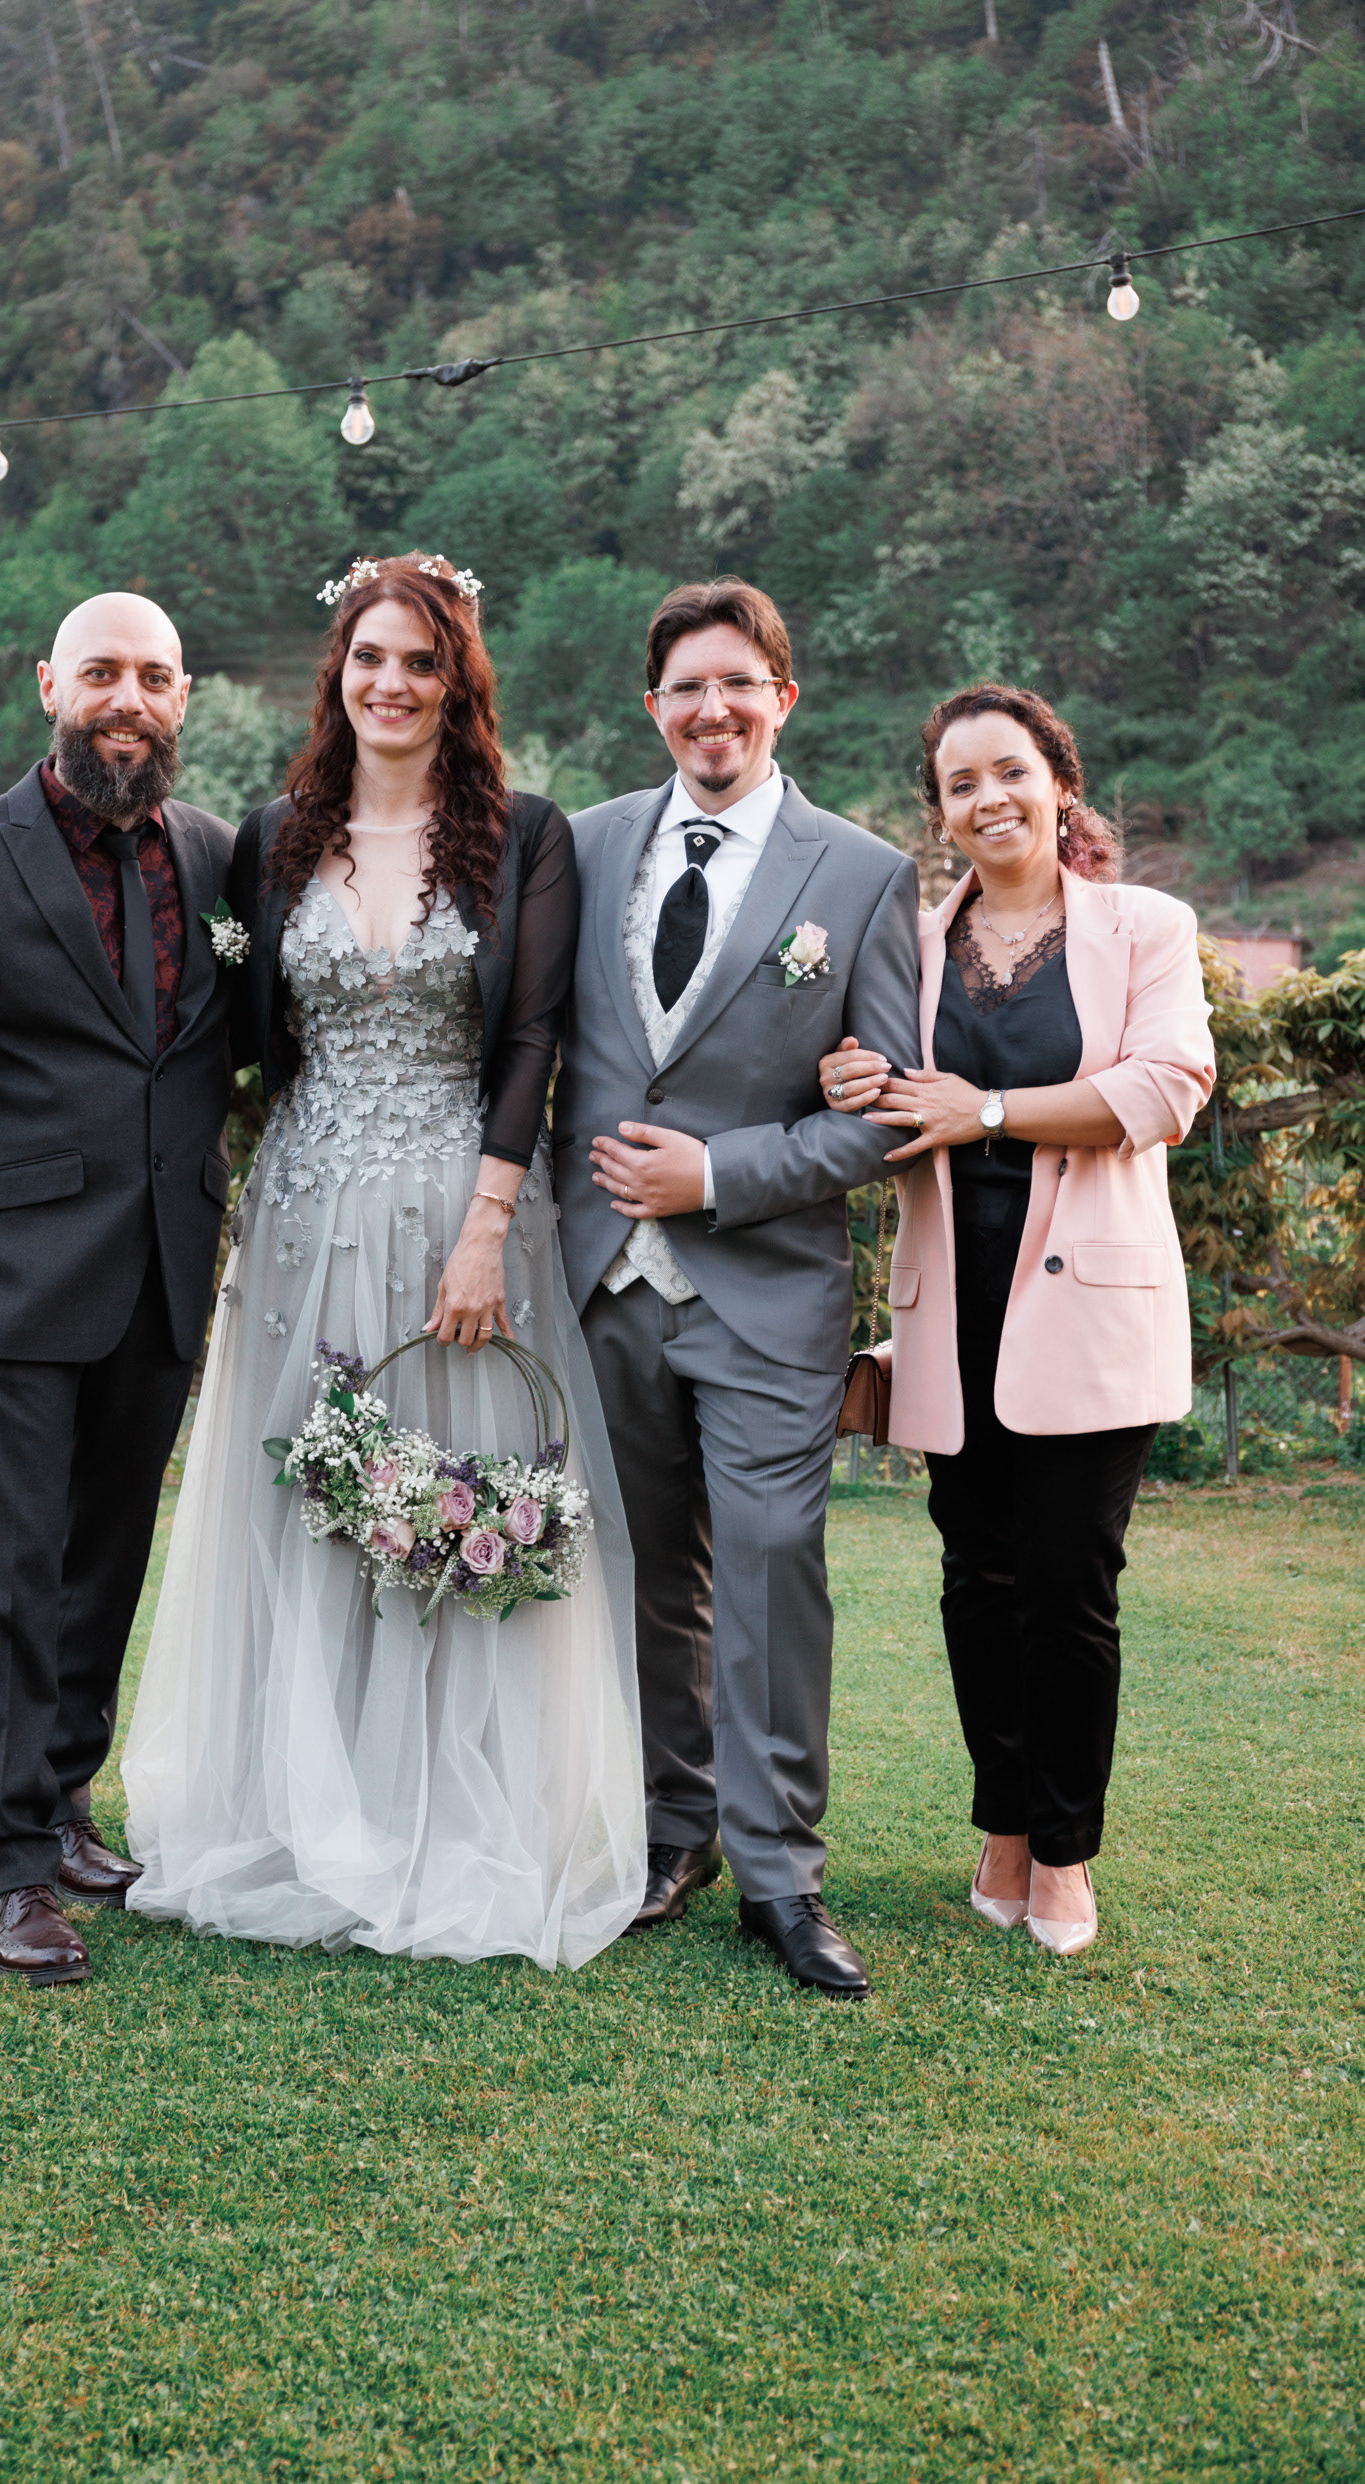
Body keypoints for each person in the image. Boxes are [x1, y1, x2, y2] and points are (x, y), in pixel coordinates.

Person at [120, 554, 644, 1969]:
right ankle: (302, 1808)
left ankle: (451, 1819)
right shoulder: (270, 843)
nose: (391, 684)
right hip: (301, 1207)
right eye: (369, 658)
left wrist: (485, 1228)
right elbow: (237, 1006)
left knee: (448, 1483)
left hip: (459, 1208)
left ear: (456, 681)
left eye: (420, 661)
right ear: (336, 674)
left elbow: (530, 1037)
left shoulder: (523, 839)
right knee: (307, 1495)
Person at [553, 579, 923, 2000]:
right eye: (684, 689)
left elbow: (879, 1119)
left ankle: (781, 1879)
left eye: (736, 684)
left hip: (764, 1290)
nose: (711, 711)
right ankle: (674, 1831)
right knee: (645, 1575)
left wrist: (712, 1173)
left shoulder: (860, 875)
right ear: (652, 707)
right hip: (601, 1283)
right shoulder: (581, 845)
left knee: (770, 1565)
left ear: (781, 697)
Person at [0, 592, 238, 1988]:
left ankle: (65, 1798)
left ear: (183, 696)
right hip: (8, 1276)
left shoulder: (220, 859)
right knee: (7, 1574)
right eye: (100, 673)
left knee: (105, 1560)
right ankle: (7, 1861)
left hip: (163, 1266)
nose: (125, 699)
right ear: (48, 686)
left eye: (152, 675)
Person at [821, 683, 1214, 1957]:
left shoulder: (1144, 927)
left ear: (1057, 778)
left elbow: (1164, 1088)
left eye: (1007, 771)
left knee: (1066, 1587)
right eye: (959, 784)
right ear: (937, 813)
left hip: (1090, 1311)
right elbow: (881, 1100)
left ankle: (1063, 1847)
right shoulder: (906, 941)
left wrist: (984, 1111)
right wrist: (851, 1082)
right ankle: (999, 1823)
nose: (986, 798)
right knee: (975, 1582)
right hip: (952, 1309)